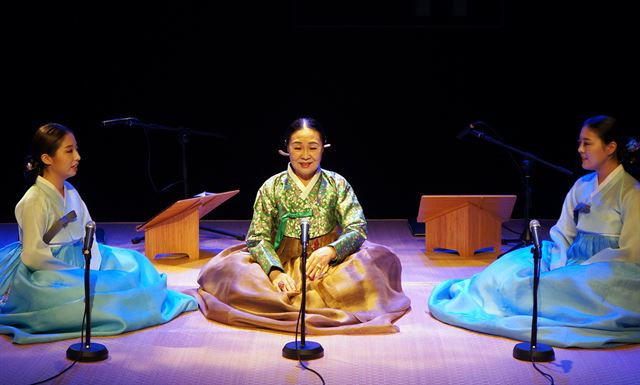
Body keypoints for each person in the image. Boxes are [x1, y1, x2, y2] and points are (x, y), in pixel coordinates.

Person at [428, 115, 640, 348]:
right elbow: (563, 232)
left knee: (554, 287)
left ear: (610, 147)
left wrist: (585, 267)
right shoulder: (582, 185)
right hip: (569, 257)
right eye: (579, 142)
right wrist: (560, 262)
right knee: (508, 268)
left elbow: (631, 250)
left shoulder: (631, 191)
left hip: (607, 267)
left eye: (587, 143)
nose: (580, 149)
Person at [194, 117, 411, 334]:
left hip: (330, 263)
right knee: (231, 271)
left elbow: (357, 227)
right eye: (297, 147)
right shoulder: (272, 186)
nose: (305, 155)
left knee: (376, 261)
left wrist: (332, 250)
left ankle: (294, 302)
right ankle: (291, 297)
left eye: (313, 147)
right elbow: (258, 237)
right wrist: (275, 273)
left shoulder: (337, 184)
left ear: (323, 148)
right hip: (282, 259)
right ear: (286, 148)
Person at [0, 123, 198, 344]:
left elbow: (89, 230)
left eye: (76, 149)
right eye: (69, 151)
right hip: (48, 267)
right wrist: (76, 272)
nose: (77, 156)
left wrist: (93, 264)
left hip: (83, 255)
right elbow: (34, 255)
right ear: (47, 158)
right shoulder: (34, 200)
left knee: (136, 263)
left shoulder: (71, 191)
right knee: (104, 289)